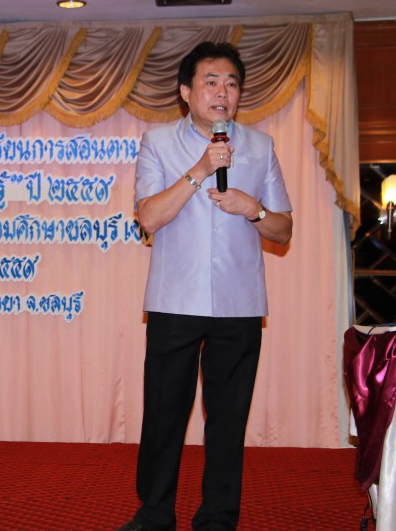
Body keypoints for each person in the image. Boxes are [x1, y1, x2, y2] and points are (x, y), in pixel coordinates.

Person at [116, 42, 293, 531]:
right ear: (186, 92)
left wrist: (253, 208)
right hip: (174, 301)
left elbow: (283, 230)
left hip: (239, 305)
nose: (222, 92)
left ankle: (217, 517)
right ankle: (155, 514)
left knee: (228, 419)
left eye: (231, 84)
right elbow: (149, 217)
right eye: (211, 82)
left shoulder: (261, 147)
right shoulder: (157, 143)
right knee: (164, 414)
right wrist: (199, 170)